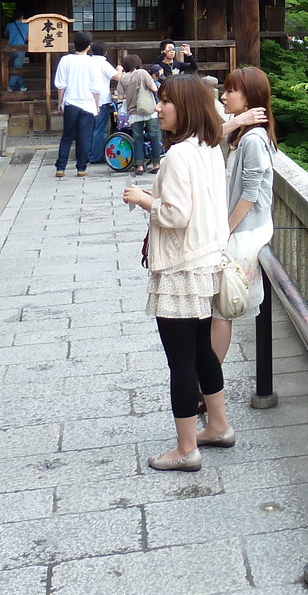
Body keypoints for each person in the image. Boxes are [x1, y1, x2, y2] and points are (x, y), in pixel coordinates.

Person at [121, 76, 234, 471]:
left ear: (184, 107)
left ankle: (186, 448)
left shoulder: (178, 156)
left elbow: (175, 214)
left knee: (181, 361)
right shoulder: (208, 149)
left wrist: (142, 199)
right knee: (202, 350)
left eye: (165, 101)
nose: (158, 108)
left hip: (181, 269)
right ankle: (217, 425)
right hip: (206, 262)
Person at [214, 66, 277, 376]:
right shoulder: (243, 133)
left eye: (230, 91)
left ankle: (208, 383)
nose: (224, 96)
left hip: (245, 230)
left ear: (250, 97)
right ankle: (208, 380)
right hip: (245, 226)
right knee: (220, 309)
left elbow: (250, 193)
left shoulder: (252, 139)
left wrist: (225, 231)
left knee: (221, 309)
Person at [54, 31, 99, 178]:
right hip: (87, 104)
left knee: (67, 136)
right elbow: (96, 88)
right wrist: (97, 105)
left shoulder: (65, 60)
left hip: (71, 103)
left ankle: (60, 167)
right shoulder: (92, 62)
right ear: (88, 46)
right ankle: (81, 168)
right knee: (84, 137)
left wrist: (60, 103)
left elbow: (61, 85)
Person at [116, 54, 162, 175]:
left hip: (133, 112)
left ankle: (139, 167)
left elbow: (120, 96)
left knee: (137, 139)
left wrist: (131, 95)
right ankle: (156, 164)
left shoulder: (123, 78)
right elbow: (154, 88)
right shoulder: (142, 73)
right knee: (153, 136)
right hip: (148, 110)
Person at [88, 42, 117, 165]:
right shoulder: (104, 64)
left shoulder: (87, 62)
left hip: (86, 100)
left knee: (88, 129)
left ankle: (87, 154)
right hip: (101, 100)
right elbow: (117, 77)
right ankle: (96, 156)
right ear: (105, 52)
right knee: (100, 130)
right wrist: (120, 68)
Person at [4, 13, 29, 92]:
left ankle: (21, 86)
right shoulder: (27, 26)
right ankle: (10, 87)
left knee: (15, 68)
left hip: (10, 49)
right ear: (21, 16)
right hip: (21, 49)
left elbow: (5, 34)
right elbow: (29, 37)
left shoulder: (9, 25)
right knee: (17, 69)